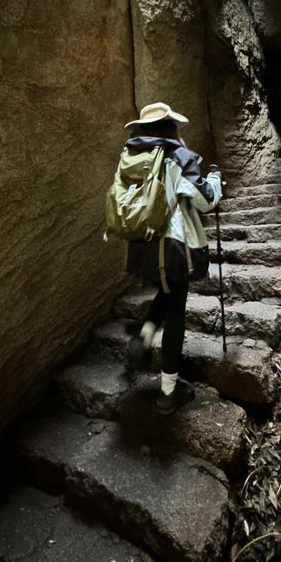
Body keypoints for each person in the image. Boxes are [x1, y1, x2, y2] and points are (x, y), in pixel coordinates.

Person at [121, 102, 222, 414]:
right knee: (177, 306)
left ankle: (145, 332)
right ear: (171, 126)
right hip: (171, 245)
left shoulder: (129, 156)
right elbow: (205, 200)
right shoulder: (177, 154)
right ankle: (168, 391)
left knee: (167, 292)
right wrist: (216, 181)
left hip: (141, 247)